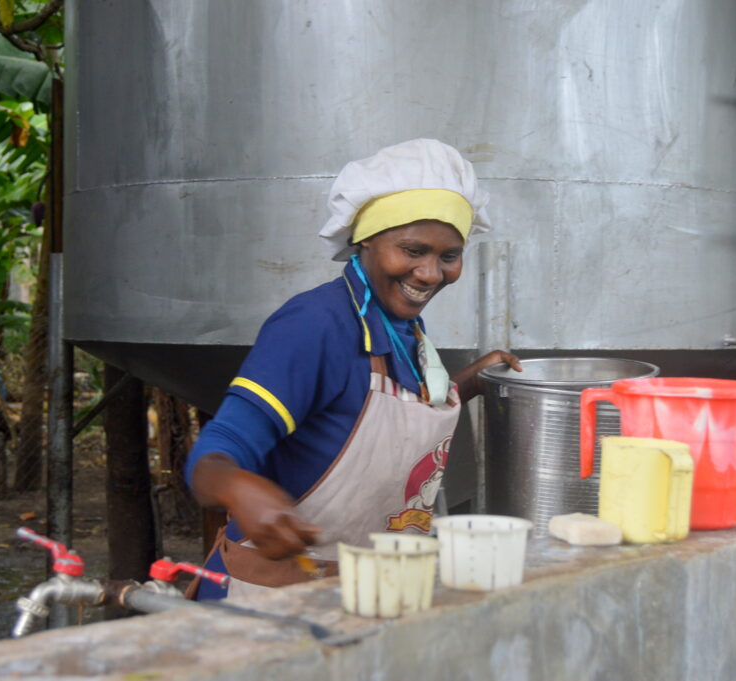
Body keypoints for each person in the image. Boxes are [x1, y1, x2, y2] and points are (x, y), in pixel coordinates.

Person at [184, 139, 521, 600]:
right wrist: (240, 488)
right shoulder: (315, 326)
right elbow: (212, 456)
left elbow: (381, 413)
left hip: (369, 592)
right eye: (412, 250)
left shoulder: (403, 327)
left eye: (448, 256)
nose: (429, 273)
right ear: (365, 240)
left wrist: (471, 381)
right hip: (271, 600)